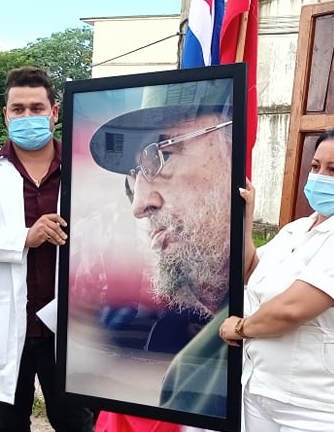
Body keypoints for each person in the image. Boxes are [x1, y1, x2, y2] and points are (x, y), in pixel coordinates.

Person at [0, 66, 94, 431]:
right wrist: (24, 237)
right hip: (11, 322)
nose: (27, 116)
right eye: (18, 109)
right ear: (6, 114)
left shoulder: (84, 167)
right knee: (9, 422)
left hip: (69, 324)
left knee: (75, 421)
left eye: (36, 108)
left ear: (54, 113)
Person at [220, 126, 334, 432]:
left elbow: (293, 309)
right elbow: (251, 273)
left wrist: (241, 327)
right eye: (315, 167)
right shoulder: (298, 228)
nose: (320, 176)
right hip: (262, 389)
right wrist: (247, 216)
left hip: (318, 407)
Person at [87, 80, 235, 428]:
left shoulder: (275, 313)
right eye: (135, 175)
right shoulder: (190, 362)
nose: (140, 204)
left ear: (233, 146)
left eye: (161, 155)